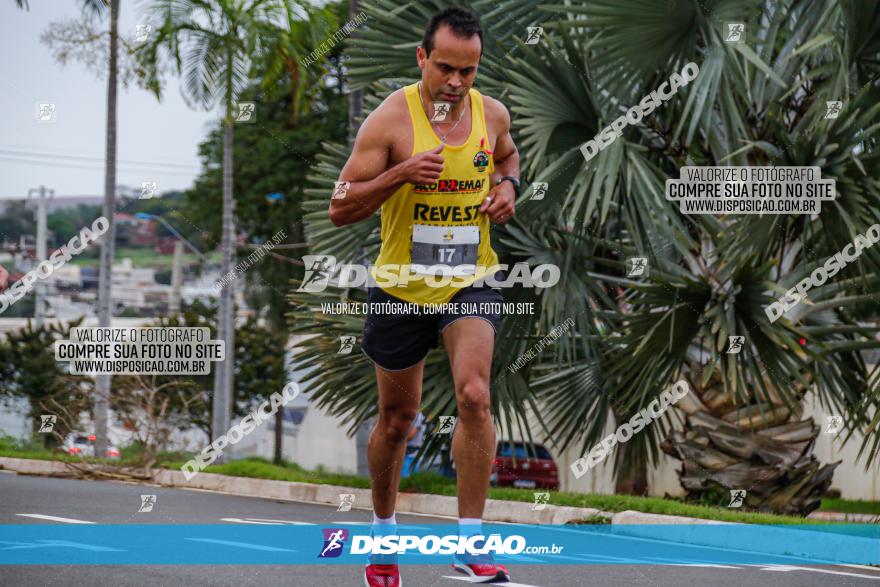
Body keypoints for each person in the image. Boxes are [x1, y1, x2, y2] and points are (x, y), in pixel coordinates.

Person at [328, 6, 519, 585]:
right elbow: (340, 204)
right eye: (445, 69)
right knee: (396, 419)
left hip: (471, 279)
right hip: (401, 287)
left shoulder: (492, 114)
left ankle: (469, 543)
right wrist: (399, 175)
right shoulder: (391, 120)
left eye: (469, 70)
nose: (457, 83)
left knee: (475, 394)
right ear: (421, 59)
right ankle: (383, 537)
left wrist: (509, 185)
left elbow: (508, 156)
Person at [401, 412, 425, 478]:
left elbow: (411, 435)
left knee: (410, 478)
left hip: (412, 453)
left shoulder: (418, 415)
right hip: (404, 451)